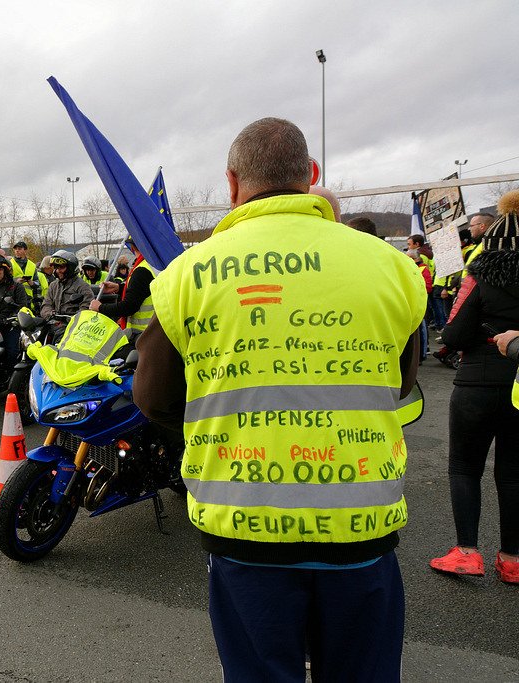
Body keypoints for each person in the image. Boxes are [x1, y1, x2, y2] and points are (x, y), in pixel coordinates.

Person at [133, 117, 426, 680]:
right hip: (359, 528)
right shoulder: (391, 267)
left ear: (232, 183)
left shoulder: (186, 275)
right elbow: (400, 383)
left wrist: (218, 432)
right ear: (311, 175)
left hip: (245, 529)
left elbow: (154, 399)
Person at [430, 190, 519, 585]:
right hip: (517, 385)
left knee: (465, 466)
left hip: (477, 381)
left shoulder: (479, 276)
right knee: (514, 472)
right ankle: (512, 557)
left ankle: (466, 552)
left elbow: (453, 331)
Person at [91, 239, 158, 334]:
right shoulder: (151, 266)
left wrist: (100, 307)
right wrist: (119, 287)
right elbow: (142, 291)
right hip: (152, 331)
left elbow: (128, 307)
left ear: (132, 247)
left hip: (142, 335)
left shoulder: (141, 270)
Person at [0, 253, 30, 365]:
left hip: (11, 327)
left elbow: (22, 307)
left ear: (6, 271)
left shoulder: (17, 287)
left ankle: (12, 378)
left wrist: (6, 320)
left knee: (12, 352)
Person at [40, 250, 93, 339]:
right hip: (53, 325)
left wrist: (71, 320)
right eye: (56, 268)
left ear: (70, 268)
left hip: (74, 330)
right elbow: (46, 304)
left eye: (61, 268)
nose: (58, 271)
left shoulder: (83, 286)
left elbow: (86, 308)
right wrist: (50, 315)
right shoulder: (53, 285)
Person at [9, 241, 41, 305]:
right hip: (13, 298)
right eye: (15, 249)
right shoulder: (9, 263)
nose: (17, 251)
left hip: (28, 300)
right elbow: (4, 281)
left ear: (25, 251)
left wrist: (32, 283)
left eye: (19, 249)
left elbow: (37, 283)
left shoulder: (32, 265)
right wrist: (16, 281)